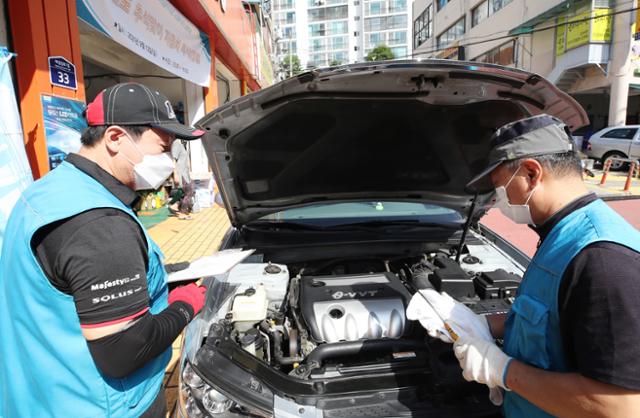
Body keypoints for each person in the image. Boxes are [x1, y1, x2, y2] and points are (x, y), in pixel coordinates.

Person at [407, 114, 640, 417]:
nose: (498, 201)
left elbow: (621, 408)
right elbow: (558, 317)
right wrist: (481, 323)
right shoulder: (564, 234)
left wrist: (504, 371)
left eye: (500, 187)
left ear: (531, 173)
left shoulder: (603, 261)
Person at [0, 82, 208, 417]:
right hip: (102, 407)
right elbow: (122, 351)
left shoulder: (47, 191)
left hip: (41, 395)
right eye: (163, 147)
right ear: (115, 138)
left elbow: (67, 290)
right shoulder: (100, 225)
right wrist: (186, 304)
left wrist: (159, 280)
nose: (169, 160)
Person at [169, 139, 194, 219]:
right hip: (181, 173)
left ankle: (175, 205)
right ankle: (182, 213)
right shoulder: (177, 143)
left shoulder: (183, 143)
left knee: (185, 192)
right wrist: (175, 174)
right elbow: (173, 159)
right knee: (189, 192)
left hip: (185, 173)